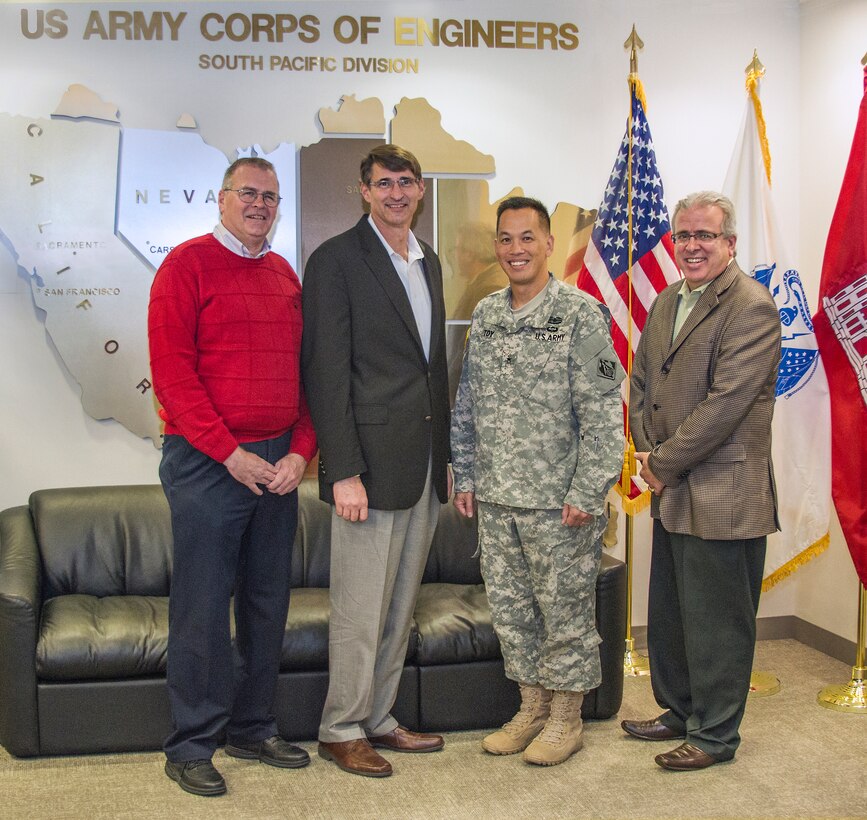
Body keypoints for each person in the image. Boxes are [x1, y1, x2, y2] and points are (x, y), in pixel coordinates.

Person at [148, 157, 317, 797]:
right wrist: (229, 453)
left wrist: (300, 453)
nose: (260, 205)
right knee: (202, 606)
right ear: (221, 200)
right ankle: (190, 743)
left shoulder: (282, 275)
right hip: (208, 461)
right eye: (248, 193)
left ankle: (252, 726)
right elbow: (173, 377)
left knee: (267, 601)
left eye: (270, 197)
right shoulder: (185, 266)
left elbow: (305, 379)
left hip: (277, 464)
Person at [450, 196, 624, 767]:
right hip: (499, 499)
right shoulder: (488, 314)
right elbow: (467, 403)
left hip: (560, 505)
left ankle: (567, 719)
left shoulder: (581, 314)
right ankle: (532, 709)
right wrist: (466, 472)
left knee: (565, 614)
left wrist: (587, 490)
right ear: (496, 246)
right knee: (513, 612)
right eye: (506, 238)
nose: (516, 249)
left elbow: (604, 412)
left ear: (549, 244)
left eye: (528, 237)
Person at [301, 144, 451, 778]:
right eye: (384, 183)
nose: (396, 193)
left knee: (397, 606)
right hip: (367, 467)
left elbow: (431, 369)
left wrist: (446, 457)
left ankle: (380, 718)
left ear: (420, 191)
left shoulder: (429, 261)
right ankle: (340, 727)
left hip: (420, 465)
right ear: (363, 191)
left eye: (407, 182)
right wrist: (344, 471)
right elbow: (327, 373)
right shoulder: (336, 260)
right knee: (360, 610)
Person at [622, 191, 781, 771]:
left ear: (730, 244)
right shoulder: (668, 299)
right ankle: (679, 709)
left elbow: (726, 405)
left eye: (705, 236)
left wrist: (660, 464)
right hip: (671, 484)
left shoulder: (752, 305)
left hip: (723, 492)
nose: (691, 246)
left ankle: (714, 735)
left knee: (718, 622)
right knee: (672, 611)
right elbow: (643, 384)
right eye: (683, 235)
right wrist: (649, 454)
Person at [450, 221, 509, 320]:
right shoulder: (481, 282)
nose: (455, 255)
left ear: (469, 254)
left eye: (457, 249)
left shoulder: (489, 289)